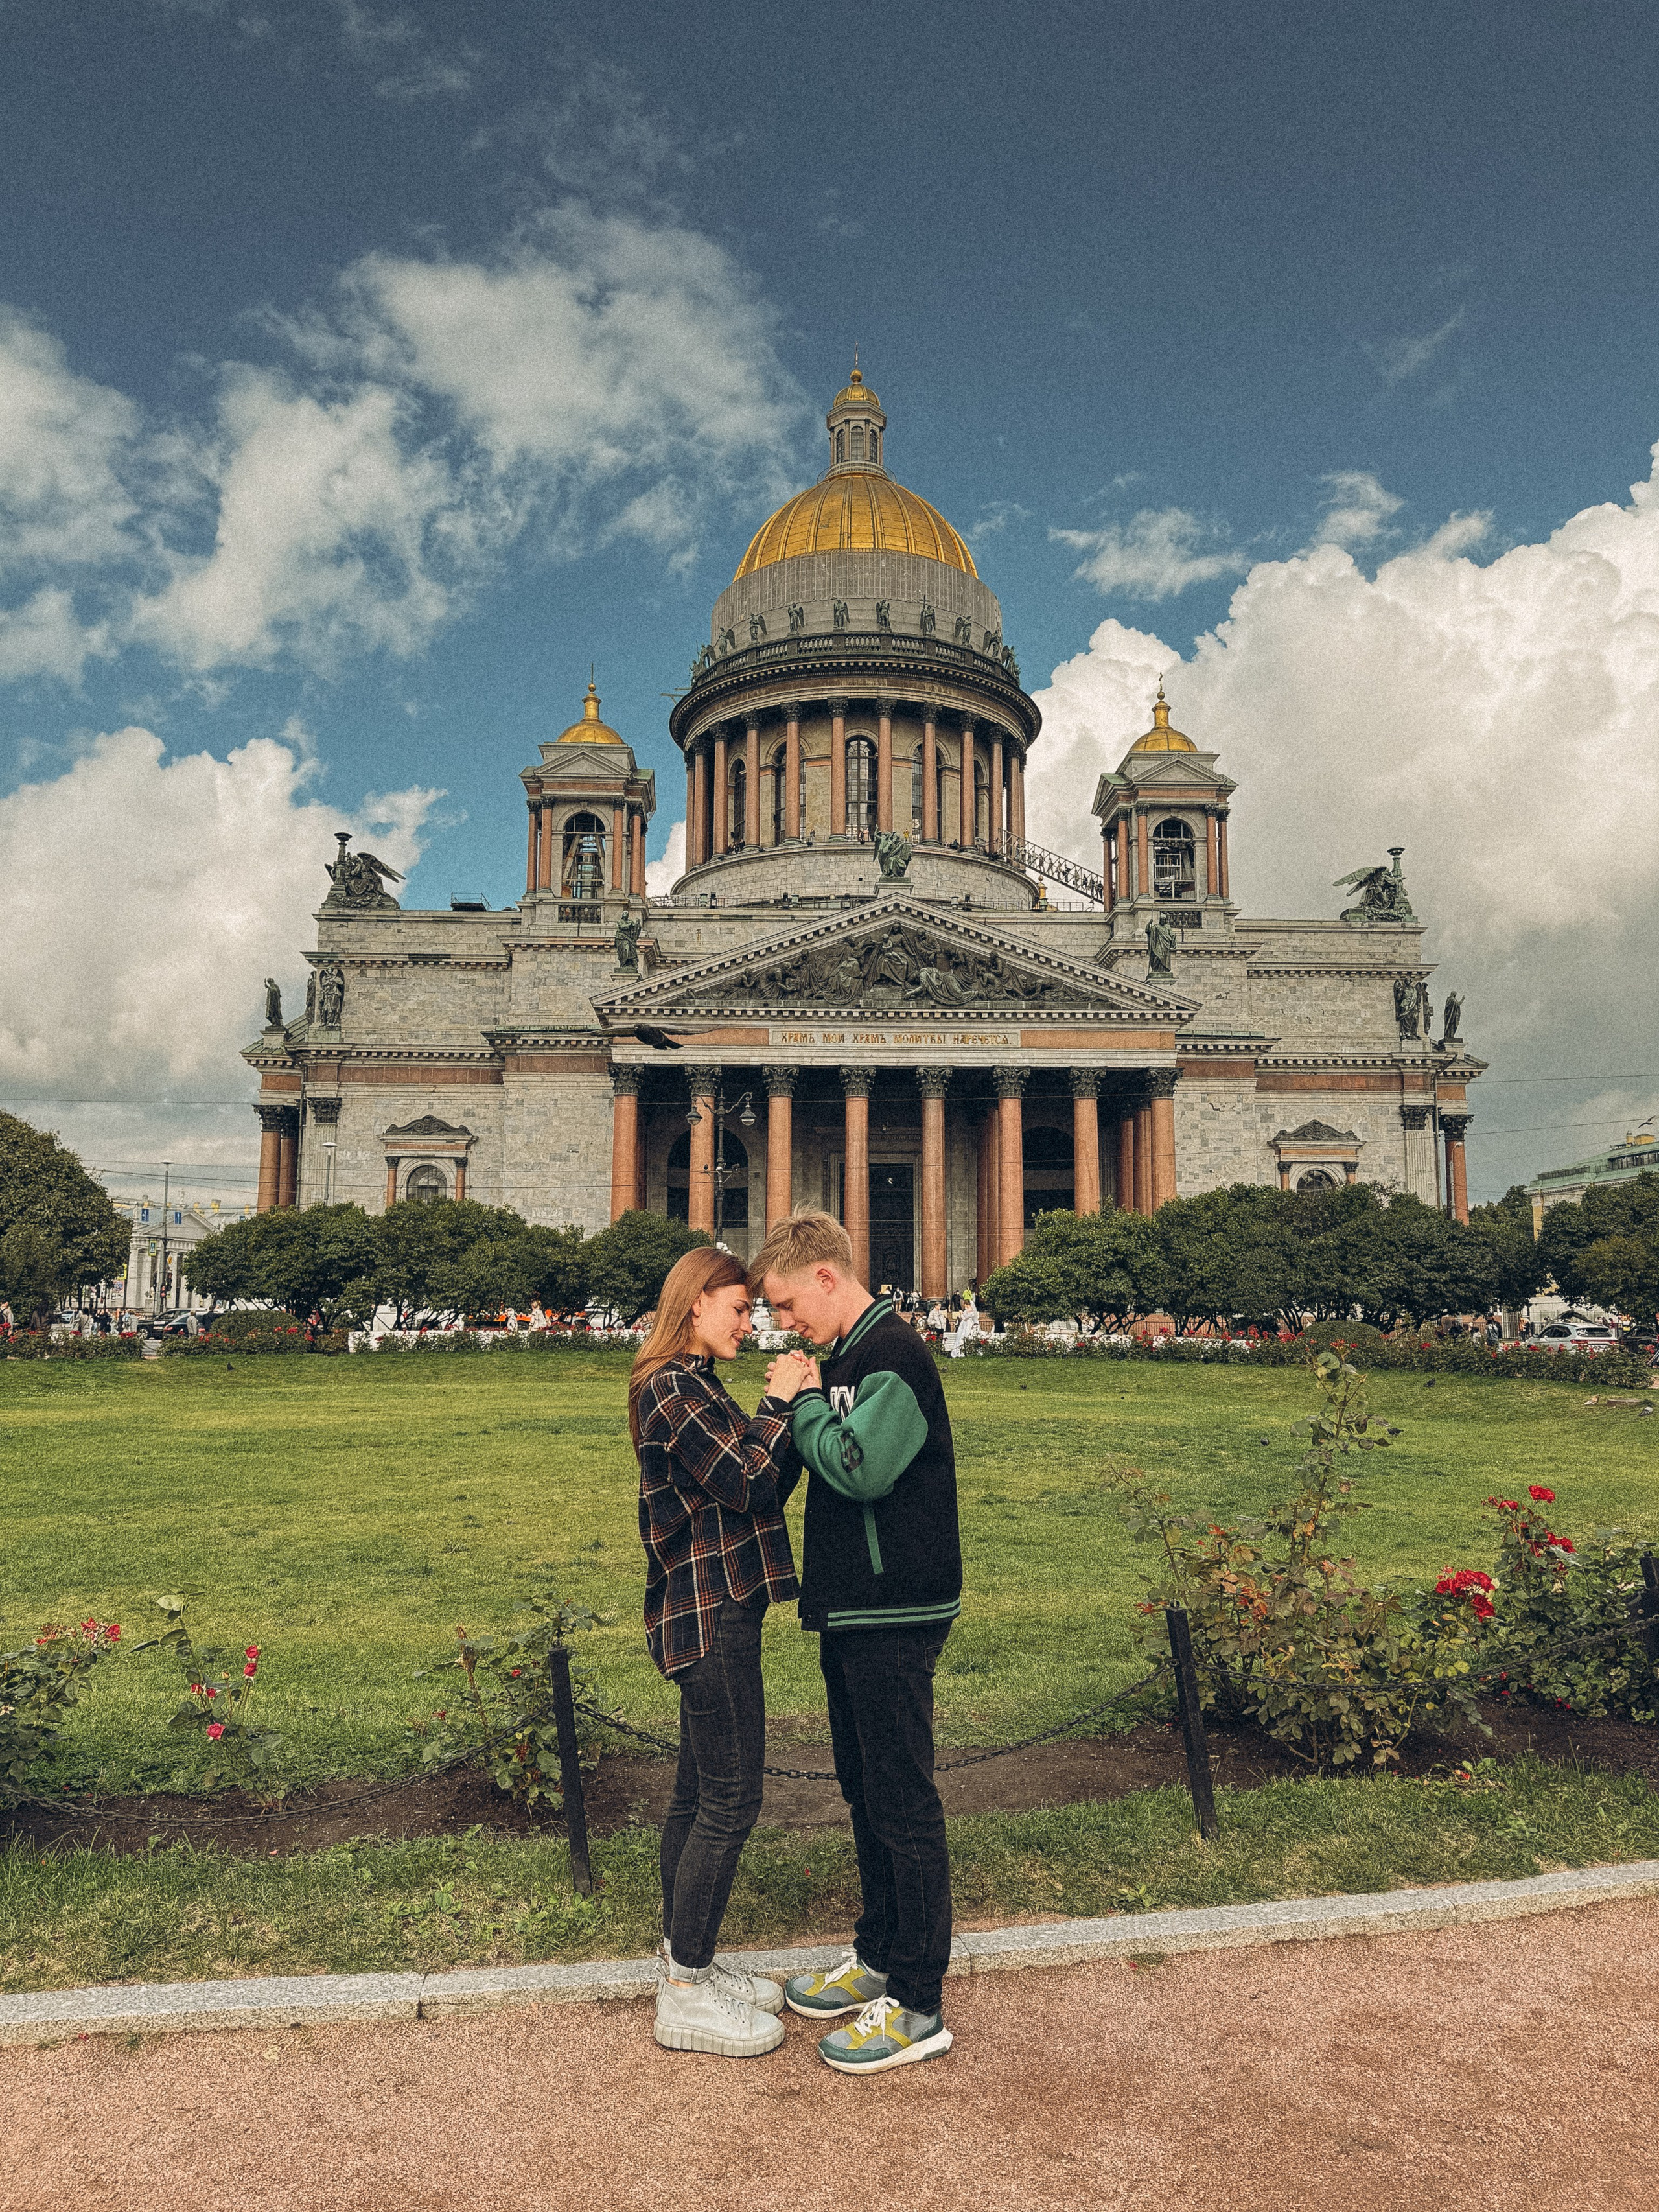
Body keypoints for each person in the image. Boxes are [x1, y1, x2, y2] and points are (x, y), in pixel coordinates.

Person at [752, 1208, 961, 2077]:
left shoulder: (893, 1357)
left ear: (828, 1277)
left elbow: (860, 1467)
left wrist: (802, 1401)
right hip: (850, 1606)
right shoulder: (842, 1360)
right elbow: (795, 1464)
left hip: (896, 1606)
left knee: (903, 1801)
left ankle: (916, 2002)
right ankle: (877, 1952)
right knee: (865, 1789)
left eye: (789, 1302)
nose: (783, 1321)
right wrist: (785, 1404)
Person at [629, 1246, 815, 2061]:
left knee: (695, 1793)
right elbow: (748, 1482)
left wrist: (792, 1415)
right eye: (738, 1308)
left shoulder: (694, 1383)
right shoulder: (672, 1386)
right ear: (695, 1304)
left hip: (713, 1604)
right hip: (709, 1613)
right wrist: (780, 1402)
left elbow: (765, 1476)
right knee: (730, 1800)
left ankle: (683, 1959)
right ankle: (687, 1988)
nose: (751, 1321)